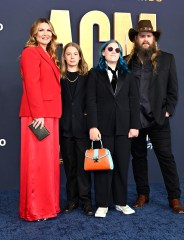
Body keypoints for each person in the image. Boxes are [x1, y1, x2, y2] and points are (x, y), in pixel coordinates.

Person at [126, 20, 184, 214]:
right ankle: (143, 194)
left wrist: (168, 109)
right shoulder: (126, 61)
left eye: (148, 36)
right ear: (136, 39)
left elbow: (173, 90)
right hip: (135, 120)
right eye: (141, 36)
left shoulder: (167, 59)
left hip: (158, 118)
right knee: (139, 158)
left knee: (166, 158)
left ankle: (174, 197)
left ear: (154, 39)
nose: (145, 39)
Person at [86, 40, 140, 217]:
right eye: (110, 49)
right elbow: (91, 101)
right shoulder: (94, 74)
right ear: (103, 52)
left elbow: (134, 102)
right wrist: (93, 126)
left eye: (117, 49)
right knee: (103, 167)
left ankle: (121, 202)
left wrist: (134, 126)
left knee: (122, 166)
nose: (114, 51)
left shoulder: (128, 75)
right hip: (103, 128)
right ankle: (102, 204)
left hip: (124, 128)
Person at [19, 18, 62, 221]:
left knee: (48, 163)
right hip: (38, 114)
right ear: (34, 34)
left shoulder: (50, 54)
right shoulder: (30, 52)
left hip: (50, 113)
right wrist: (38, 115)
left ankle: (48, 206)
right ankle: (36, 210)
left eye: (48, 30)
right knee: (38, 163)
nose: (45, 33)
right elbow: (32, 84)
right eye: (41, 30)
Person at [59, 42, 94, 216]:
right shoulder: (59, 77)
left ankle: (86, 202)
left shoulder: (88, 77)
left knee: (83, 168)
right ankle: (72, 200)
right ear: (64, 57)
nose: (72, 57)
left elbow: (92, 103)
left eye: (75, 54)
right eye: (68, 54)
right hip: (65, 129)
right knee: (70, 168)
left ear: (80, 56)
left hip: (82, 130)